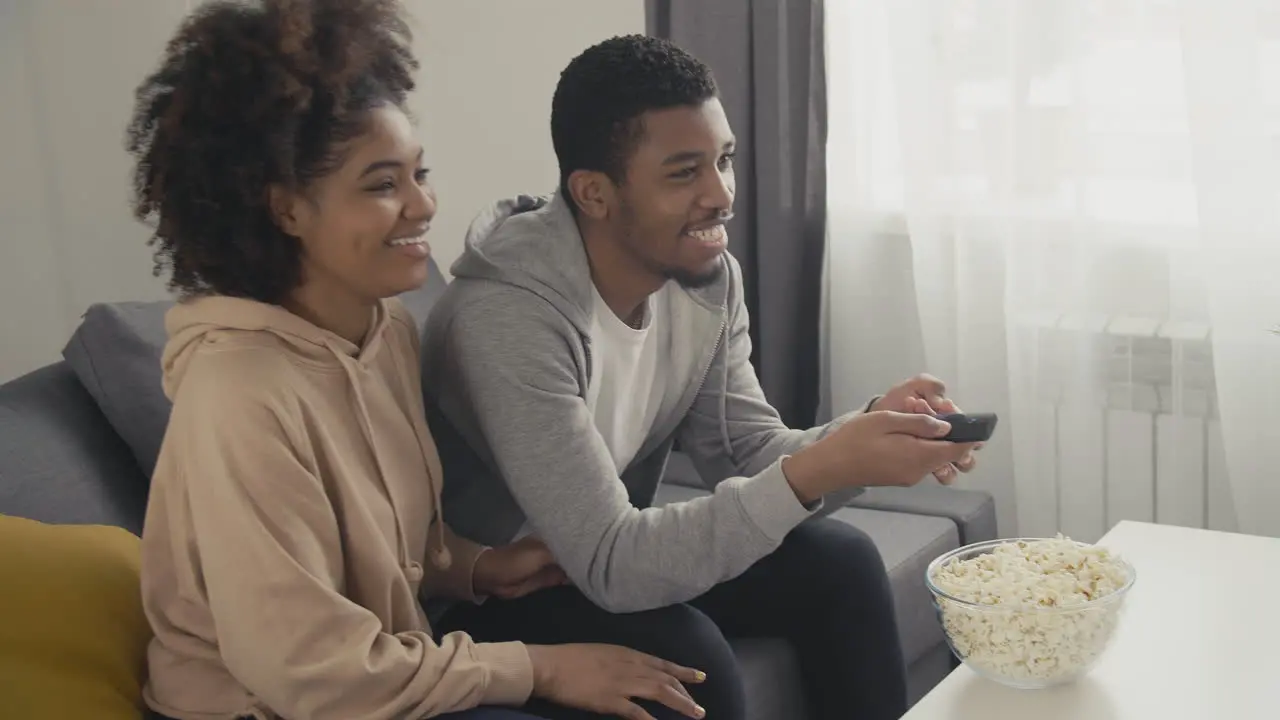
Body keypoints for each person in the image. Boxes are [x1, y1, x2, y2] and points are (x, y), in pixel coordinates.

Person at [130, 6, 708, 720]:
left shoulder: (385, 332)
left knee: (684, 670)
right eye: (382, 185)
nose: (424, 204)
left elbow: (394, 541)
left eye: (419, 173)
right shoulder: (238, 397)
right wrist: (539, 667)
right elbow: (309, 673)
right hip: (270, 706)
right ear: (284, 209)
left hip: (391, 657)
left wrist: (475, 566)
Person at [421, 34, 983, 720]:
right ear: (594, 193)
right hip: (490, 589)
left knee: (839, 563)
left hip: (592, 561)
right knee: (687, 661)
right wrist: (822, 468)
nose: (720, 195)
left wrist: (863, 437)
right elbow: (612, 563)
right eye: (684, 172)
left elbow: (745, 453)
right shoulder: (506, 318)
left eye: (724, 160)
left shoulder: (705, 281)